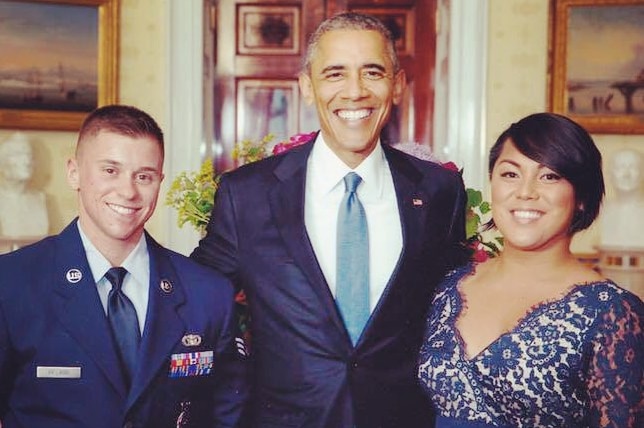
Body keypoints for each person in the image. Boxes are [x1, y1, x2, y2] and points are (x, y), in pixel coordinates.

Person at [191, 12, 467, 428]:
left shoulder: (438, 191)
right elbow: (193, 301)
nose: (354, 92)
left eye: (372, 72)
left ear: (397, 86)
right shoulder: (246, 194)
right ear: (307, 87)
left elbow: (457, 309)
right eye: (335, 74)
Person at [0, 105, 248, 427]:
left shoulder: (207, 292)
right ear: (74, 172)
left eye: (144, 176)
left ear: (160, 181)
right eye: (110, 171)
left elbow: (228, 415)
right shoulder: (12, 283)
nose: (128, 191)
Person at [418, 112, 644, 427]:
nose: (526, 192)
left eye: (549, 176)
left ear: (581, 197)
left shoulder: (613, 313)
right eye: (510, 174)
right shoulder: (447, 286)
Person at [0, 131, 48, 239]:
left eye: (29, 155)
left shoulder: (40, 199)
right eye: (18, 155)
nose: (27, 161)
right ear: (3, 161)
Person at [600, 148, 644, 248]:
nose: (626, 174)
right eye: (619, 168)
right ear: (610, 174)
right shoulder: (604, 210)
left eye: (633, 168)